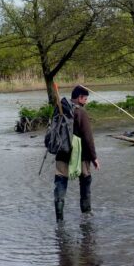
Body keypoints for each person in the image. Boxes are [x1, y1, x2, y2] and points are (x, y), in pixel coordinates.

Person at [54, 84, 98, 221]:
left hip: (61, 153)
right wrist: (94, 157)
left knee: (60, 181)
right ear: (79, 98)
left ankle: (59, 218)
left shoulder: (59, 109)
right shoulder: (81, 112)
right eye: (85, 99)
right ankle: (86, 214)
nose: (86, 101)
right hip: (81, 155)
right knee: (85, 180)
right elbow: (88, 137)